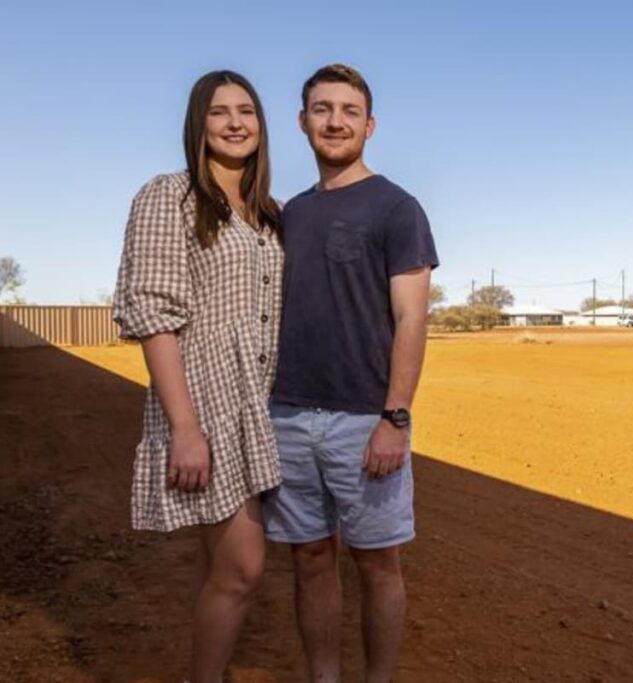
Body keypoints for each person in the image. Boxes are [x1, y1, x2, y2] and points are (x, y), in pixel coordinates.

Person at [261, 63, 438, 683]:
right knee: (310, 559)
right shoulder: (287, 216)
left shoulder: (397, 208)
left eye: (348, 111)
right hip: (285, 416)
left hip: (365, 421)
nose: (335, 121)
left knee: (377, 565)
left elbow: (411, 321)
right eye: (321, 109)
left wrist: (395, 416)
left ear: (370, 124)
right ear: (302, 121)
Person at [112, 70, 283, 683]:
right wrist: (185, 427)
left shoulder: (270, 213)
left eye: (247, 111)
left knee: (224, 567)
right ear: (197, 124)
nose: (236, 122)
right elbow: (153, 316)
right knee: (241, 567)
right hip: (205, 401)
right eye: (219, 112)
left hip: (262, 407)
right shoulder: (169, 196)